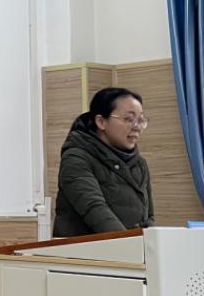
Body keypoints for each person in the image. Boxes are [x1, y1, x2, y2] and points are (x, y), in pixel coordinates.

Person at [52, 87, 154, 238]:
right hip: (89, 250)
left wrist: (154, 244)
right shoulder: (76, 158)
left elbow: (148, 217)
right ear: (101, 122)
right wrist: (131, 245)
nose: (137, 127)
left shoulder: (139, 164)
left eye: (141, 120)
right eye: (129, 119)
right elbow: (95, 210)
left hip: (130, 248)